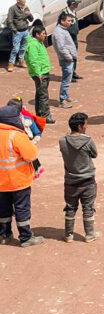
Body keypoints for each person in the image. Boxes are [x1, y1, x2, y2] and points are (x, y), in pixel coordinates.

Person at [0, 105, 42, 247]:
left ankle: (4, 235)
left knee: (3, 209)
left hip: (1, 182)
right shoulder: (16, 135)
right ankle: (25, 237)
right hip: (18, 181)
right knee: (21, 208)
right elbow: (32, 155)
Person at [58, 112, 100, 242]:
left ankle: (68, 235)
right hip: (87, 181)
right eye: (86, 124)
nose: (87, 127)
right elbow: (94, 154)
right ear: (80, 126)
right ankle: (89, 235)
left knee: (70, 207)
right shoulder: (88, 141)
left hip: (70, 180)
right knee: (88, 207)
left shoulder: (62, 141)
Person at [24, 24, 53, 123]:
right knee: (43, 95)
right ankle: (45, 116)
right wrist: (38, 73)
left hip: (43, 71)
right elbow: (33, 60)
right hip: (40, 74)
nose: (45, 35)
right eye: (43, 34)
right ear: (37, 34)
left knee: (40, 94)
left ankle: (40, 114)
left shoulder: (39, 43)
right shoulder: (33, 45)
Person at [52, 11, 78, 109]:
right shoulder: (58, 32)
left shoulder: (63, 30)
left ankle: (66, 96)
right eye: (69, 21)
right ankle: (62, 100)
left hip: (68, 59)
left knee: (68, 79)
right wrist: (69, 58)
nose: (71, 22)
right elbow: (61, 48)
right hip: (66, 60)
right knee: (66, 80)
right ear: (62, 21)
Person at [6, 0, 32, 72]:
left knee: (23, 48)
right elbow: (9, 21)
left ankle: (21, 61)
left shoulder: (26, 7)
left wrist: (29, 14)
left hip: (25, 30)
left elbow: (31, 19)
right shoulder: (12, 8)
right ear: (18, 0)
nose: (24, 1)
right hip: (18, 32)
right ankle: (11, 63)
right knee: (15, 49)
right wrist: (15, 30)